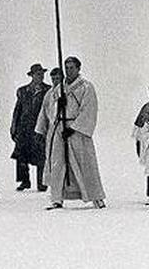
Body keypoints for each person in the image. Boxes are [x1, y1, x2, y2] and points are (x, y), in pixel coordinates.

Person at [35, 58, 106, 210]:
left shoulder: (86, 87)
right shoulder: (58, 89)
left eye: (72, 67)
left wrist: (73, 128)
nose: (69, 70)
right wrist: (58, 106)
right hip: (59, 129)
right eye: (66, 67)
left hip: (78, 131)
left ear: (79, 68)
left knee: (85, 163)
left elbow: (89, 110)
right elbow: (48, 108)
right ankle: (57, 198)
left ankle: (96, 197)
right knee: (57, 164)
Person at [11, 64, 51, 192]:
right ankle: (24, 181)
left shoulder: (48, 90)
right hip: (24, 127)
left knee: (41, 154)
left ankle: (42, 182)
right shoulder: (23, 91)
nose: (40, 76)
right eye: (37, 74)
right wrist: (13, 126)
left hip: (40, 126)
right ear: (32, 75)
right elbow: (18, 110)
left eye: (41, 74)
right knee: (21, 154)